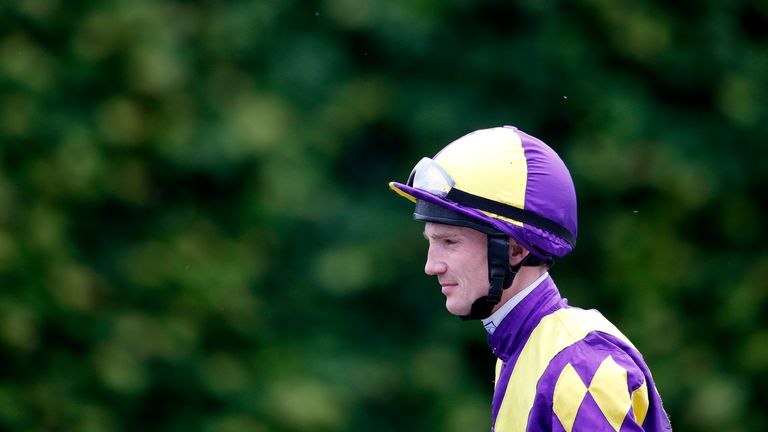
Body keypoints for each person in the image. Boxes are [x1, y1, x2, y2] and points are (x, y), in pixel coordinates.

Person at [389, 126, 671, 431]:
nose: (431, 266)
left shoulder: (578, 365)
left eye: (450, 242)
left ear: (515, 249)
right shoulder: (522, 350)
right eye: (431, 242)